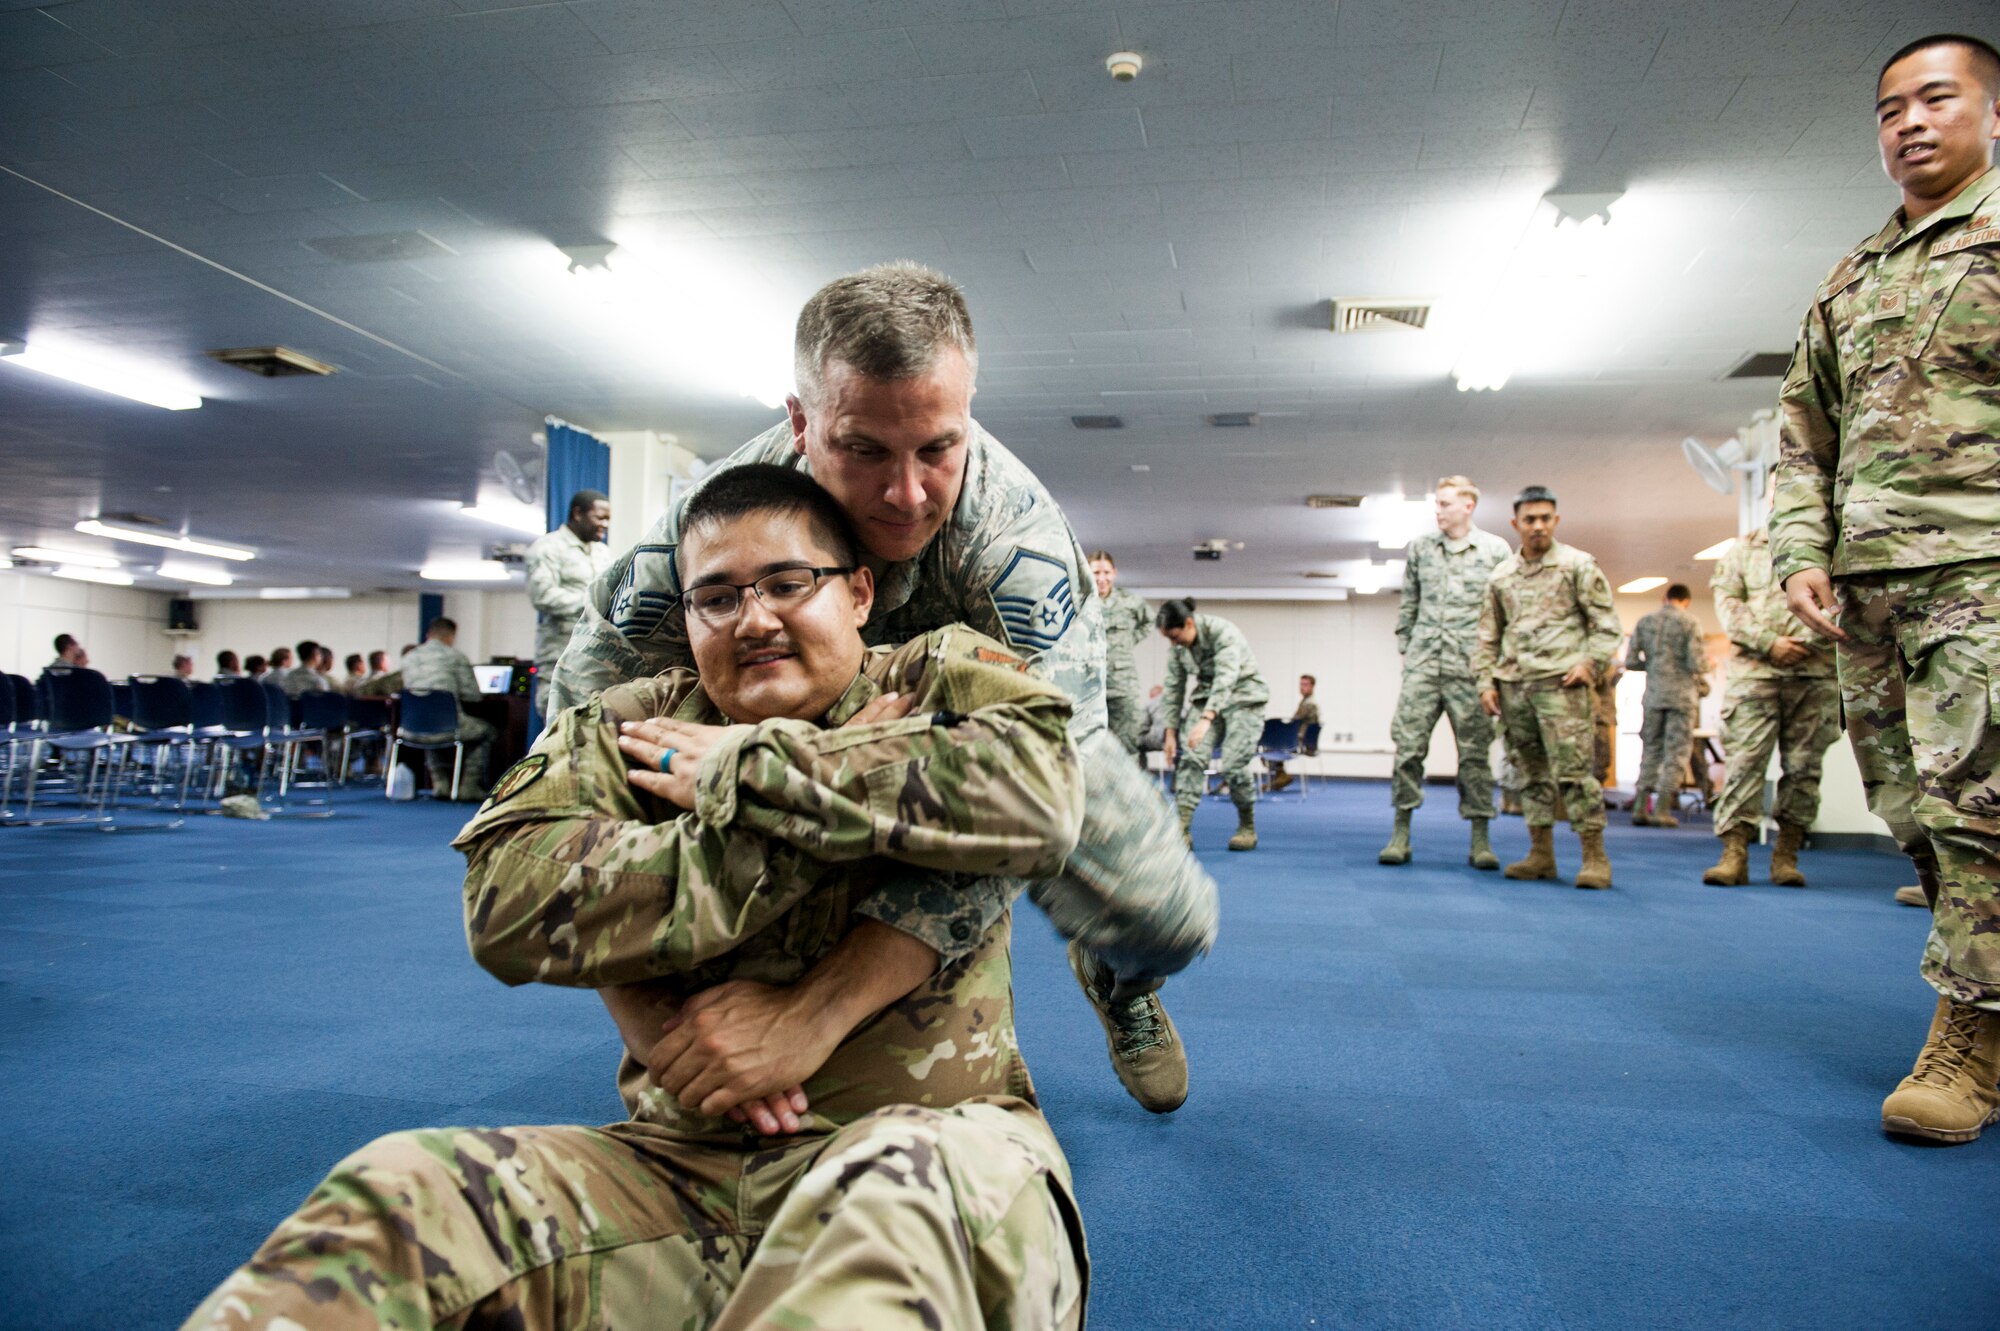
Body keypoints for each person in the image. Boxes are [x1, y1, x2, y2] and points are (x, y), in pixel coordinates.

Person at [180, 467, 1125, 1331]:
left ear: (860, 591)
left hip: (929, 1147)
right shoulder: (631, 726)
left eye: (787, 582)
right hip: (680, 1175)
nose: (752, 618)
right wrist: (799, 810)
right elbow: (507, 903)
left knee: (895, 1210)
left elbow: (1043, 796)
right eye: (716, 596)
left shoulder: (937, 673)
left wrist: (760, 769)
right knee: (397, 1193)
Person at [546, 262, 1217, 1114]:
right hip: (800, 693)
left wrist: (812, 1015)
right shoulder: (718, 526)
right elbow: (571, 753)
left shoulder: (1013, 547)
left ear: (967, 414)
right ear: (800, 423)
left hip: (978, 712)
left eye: (938, 448)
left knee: (1170, 916)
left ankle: (1118, 983)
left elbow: (1030, 797)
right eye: (862, 450)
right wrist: (655, 1028)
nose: (906, 494)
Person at [1773, 32, 2000, 1143]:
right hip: (1866, 594)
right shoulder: (1853, 275)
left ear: (1989, 112)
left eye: (1934, 98)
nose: (1906, 121)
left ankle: (1970, 1036)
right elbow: (1800, 433)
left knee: (1978, 816)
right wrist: (1796, 551)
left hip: (1980, 574)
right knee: (1913, 814)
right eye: (1886, 109)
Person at [1473, 485, 1622, 889]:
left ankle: (1594, 857)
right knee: (1530, 774)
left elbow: (1606, 626)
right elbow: (1488, 634)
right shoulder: (1501, 575)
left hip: (1562, 686)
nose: (1537, 526)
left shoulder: (1577, 566)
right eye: (1529, 519)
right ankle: (1541, 854)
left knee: (1575, 775)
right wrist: (1485, 681)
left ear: (1555, 520)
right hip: (1514, 688)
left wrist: (1590, 665)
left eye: (1544, 518)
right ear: (1515, 524)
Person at [1380, 475, 1513, 868]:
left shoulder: (1495, 550)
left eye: (1445, 504)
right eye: (1436, 504)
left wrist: (1494, 669)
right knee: (1408, 750)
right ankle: (1400, 833)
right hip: (1423, 667)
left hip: (1469, 670)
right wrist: (1408, 648)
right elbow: (1409, 606)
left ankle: (1480, 839)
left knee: (1474, 755)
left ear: (1468, 506)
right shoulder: (1421, 549)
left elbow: (1503, 613)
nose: (1438, 511)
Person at [1705, 506, 1840, 886]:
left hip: (1813, 673)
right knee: (1744, 765)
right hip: (1755, 675)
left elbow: (1847, 600)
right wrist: (1769, 642)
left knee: (1804, 770)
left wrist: (1808, 640)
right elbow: (1728, 603)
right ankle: (1734, 853)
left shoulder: (1833, 544)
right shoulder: (1742, 551)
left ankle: (1787, 854)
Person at [1158, 597, 1269, 851]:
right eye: (1169, 640)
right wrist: (1171, 733)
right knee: (1190, 758)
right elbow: (1174, 688)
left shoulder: (1223, 632)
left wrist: (1206, 719)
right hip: (1207, 697)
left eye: (1176, 637)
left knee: (1233, 763)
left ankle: (1247, 825)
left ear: (1188, 623)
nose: (1174, 644)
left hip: (1244, 697)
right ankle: (1182, 827)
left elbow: (1226, 678)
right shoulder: (1177, 647)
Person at [525, 488, 613, 720]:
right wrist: (591, 603)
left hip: (597, 651)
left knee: (593, 722)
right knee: (557, 721)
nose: (605, 524)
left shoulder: (603, 553)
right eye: (600, 517)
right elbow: (542, 595)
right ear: (577, 514)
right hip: (560, 648)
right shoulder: (548, 548)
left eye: (608, 519)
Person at [1628, 584, 1707, 828]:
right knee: (1676, 752)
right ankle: (1662, 808)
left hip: (1653, 696)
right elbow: (1697, 663)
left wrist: (1653, 666)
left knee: (1650, 749)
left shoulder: (1645, 622)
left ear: (1665, 598)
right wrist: (1710, 664)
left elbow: (1631, 661)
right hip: (1681, 698)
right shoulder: (1690, 622)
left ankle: (1641, 806)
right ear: (1687, 601)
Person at [398, 617, 493, 800]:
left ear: (428, 635)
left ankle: (440, 785)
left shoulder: (408, 658)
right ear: (451, 636)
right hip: (448, 726)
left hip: (412, 728)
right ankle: (469, 787)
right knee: (487, 732)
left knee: (431, 727)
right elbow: (472, 695)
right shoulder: (455, 657)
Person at [1087, 549, 1154, 756]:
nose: (1101, 578)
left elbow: (1149, 621)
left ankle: (1131, 788)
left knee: (1128, 743)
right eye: (1096, 573)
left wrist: (1128, 641)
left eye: (1106, 572)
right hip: (1088, 682)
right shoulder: (1079, 601)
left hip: (1123, 683)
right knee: (1090, 743)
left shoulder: (1130, 602)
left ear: (1114, 573)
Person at [1267, 673, 1319, 792]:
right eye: (1301, 684)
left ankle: (1279, 777)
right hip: (1302, 739)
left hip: (1301, 741)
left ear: (1312, 686)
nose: (1302, 687)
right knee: (1273, 744)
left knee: (1270, 745)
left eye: (1305, 685)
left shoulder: (1309, 704)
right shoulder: (1306, 702)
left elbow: (1294, 723)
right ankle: (1279, 776)